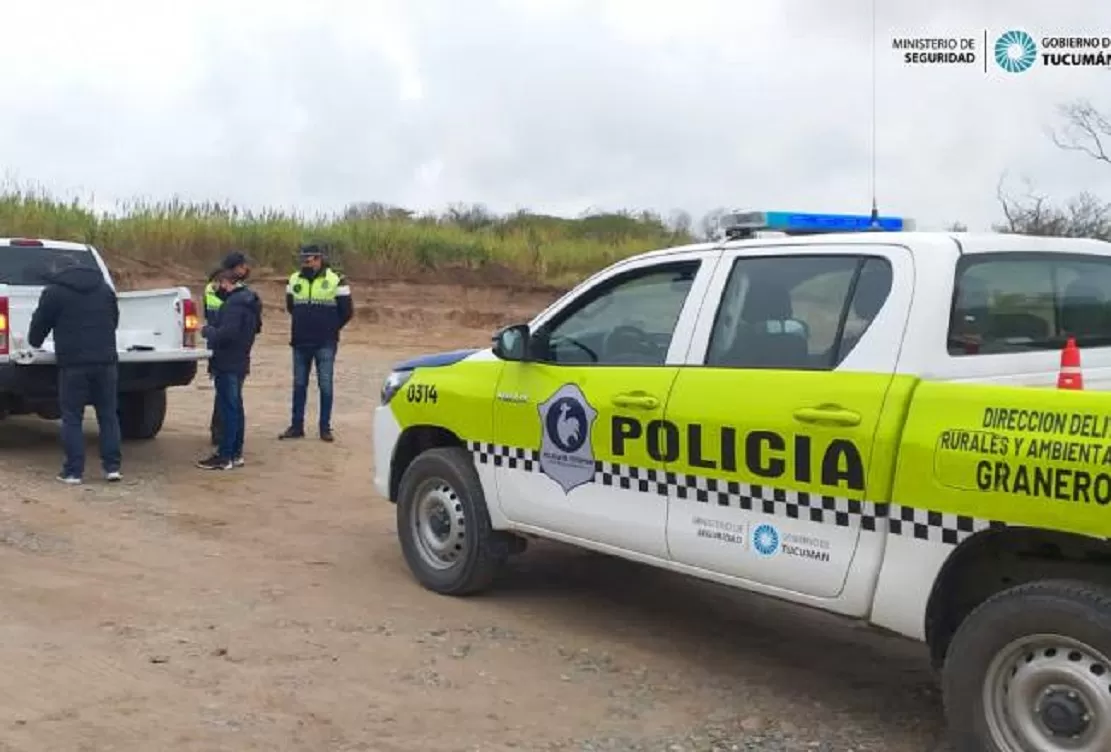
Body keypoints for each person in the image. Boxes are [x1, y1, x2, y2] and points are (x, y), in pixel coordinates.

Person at [26, 253, 122, 484]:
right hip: (106, 361)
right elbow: (114, 319)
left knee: (72, 417)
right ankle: (112, 468)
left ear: (58, 271)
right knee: (108, 415)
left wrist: (34, 343)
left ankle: (73, 472)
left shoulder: (54, 292)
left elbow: (41, 323)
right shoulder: (104, 289)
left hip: (74, 363)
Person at [278, 243, 353, 442]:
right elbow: (291, 306)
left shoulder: (337, 279)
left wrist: (329, 328)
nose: (305, 261)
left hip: (325, 342)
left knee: (325, 385)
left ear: (319, 259)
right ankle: (296, 426)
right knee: (299, 385)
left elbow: (347, 312)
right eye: (303, 257)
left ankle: (324, 428)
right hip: (300, 341)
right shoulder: (293, 279)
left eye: (309, 258)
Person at [197, 268, 261, 470]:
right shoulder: (249, 301)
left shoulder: (234, 304)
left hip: (228, 361)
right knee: (236, 408)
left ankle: (225, 456)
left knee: (229, 409)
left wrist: (208, 331)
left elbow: (228, 334)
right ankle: (235, 453)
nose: (216, 290)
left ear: (225, 282)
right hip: (240, 359)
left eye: (217, 285)